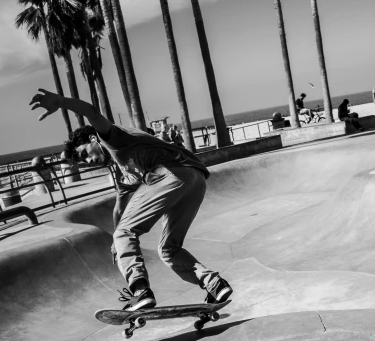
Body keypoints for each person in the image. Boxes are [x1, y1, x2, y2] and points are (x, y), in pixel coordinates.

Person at [29, 88, 233, 311]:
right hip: (195, 179)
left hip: (171, 173)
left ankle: (140, 291)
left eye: (84, 154)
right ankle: (214, 284)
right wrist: (117, 242)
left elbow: (90, 111)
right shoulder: (124, 170)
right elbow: (120, 208)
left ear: (92, 138)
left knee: (125, 233)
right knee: (169, 249)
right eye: (82, 162)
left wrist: (61, 101)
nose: (87, 161)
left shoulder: (110, 137)